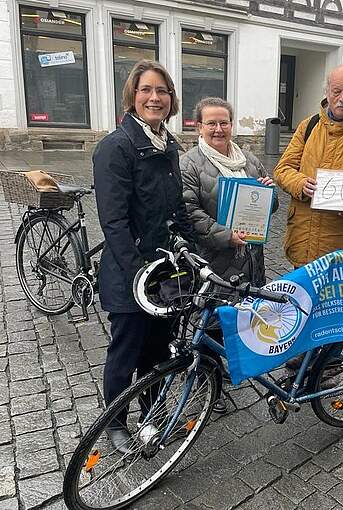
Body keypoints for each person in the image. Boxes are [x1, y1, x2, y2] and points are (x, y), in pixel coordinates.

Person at [93, 60, 194, 452]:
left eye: (163, 91)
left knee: (157, 350)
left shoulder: (167, 144)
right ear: (132, 97)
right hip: (130, 273)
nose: (155, 97)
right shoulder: (116, 148)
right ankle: (116, 423)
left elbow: (177, 209)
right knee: (126, 352)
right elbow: (113, 223)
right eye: (146, 90)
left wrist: (191, 254)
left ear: (171, 100)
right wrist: (142, 277)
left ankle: (152, 417)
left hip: (166, 272)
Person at [181, 97, 278, 410]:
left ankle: (231, 369)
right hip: (215, 258)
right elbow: (188, 211)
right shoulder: (190, 162)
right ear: (199, 126)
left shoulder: (248, 160)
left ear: (231, 125)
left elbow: (269, 207)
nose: (218, 129)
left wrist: (269, 192)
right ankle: (207, 385)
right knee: (208, 319)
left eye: (224, 122)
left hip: (250, 258)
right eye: (211, 123)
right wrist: (225, 235)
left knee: (239, 316)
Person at [273, 64, 343, 268]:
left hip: (342, 243)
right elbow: (283, 170)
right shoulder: (308, 126)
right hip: (303, 238)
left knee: (336, 299)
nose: (342, 98)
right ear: (327, 92)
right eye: (337, 91)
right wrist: (300, 184)